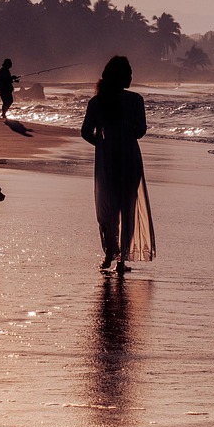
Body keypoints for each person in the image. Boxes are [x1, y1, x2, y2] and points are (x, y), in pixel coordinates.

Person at [80, 55, 156, 274]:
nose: (131, 76)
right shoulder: (135, 100)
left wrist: (103, 144)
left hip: (107, 161)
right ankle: (122, 260)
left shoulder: (97, 102)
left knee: (108, 209)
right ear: (121, 76)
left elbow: (85, 133)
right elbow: (140, 131)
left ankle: (108, 255)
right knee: (127, 209)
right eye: (129, 73)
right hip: (130, 159)